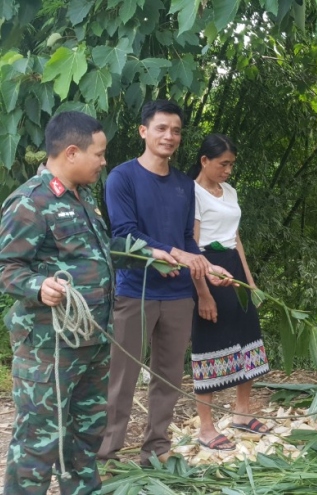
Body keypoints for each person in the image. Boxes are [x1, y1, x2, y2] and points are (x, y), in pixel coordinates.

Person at [0, 112, 178, 494]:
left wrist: (148, 254)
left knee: (85, 437)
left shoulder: (82, 197)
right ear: (71, 152)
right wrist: (37, 285)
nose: (102, 162)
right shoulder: (31, 202)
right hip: (49, 348)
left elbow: (98, 253)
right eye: (98, 154)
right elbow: (7, 267)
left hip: (93, 342)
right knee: (38, 441)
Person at [98, 100, 232, 466]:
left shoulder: (183, 185)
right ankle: (106, 455)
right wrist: (175, 253)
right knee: (121, 380)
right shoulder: (122, 178)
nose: (169, 136)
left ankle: (155, 451)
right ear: (143, 131)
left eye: (175, 130)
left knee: (169, 378)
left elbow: (188, 240)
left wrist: (205, 267)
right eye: (161, 128)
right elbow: (124, 235)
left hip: (177, 296)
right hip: (135, 292)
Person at [187, 134, 270, 451]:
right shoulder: (191, 194)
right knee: (211, 343)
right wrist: (203, 291)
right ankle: (206, 428)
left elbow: (236, 239)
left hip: (234, 268)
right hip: (207, 268)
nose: (228, 170)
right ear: (204, 161)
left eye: (231, 164)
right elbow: (191, 246)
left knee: (248, 337)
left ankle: (241, 413)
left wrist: (250, 282)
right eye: (223, 164)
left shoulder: (230, 192)